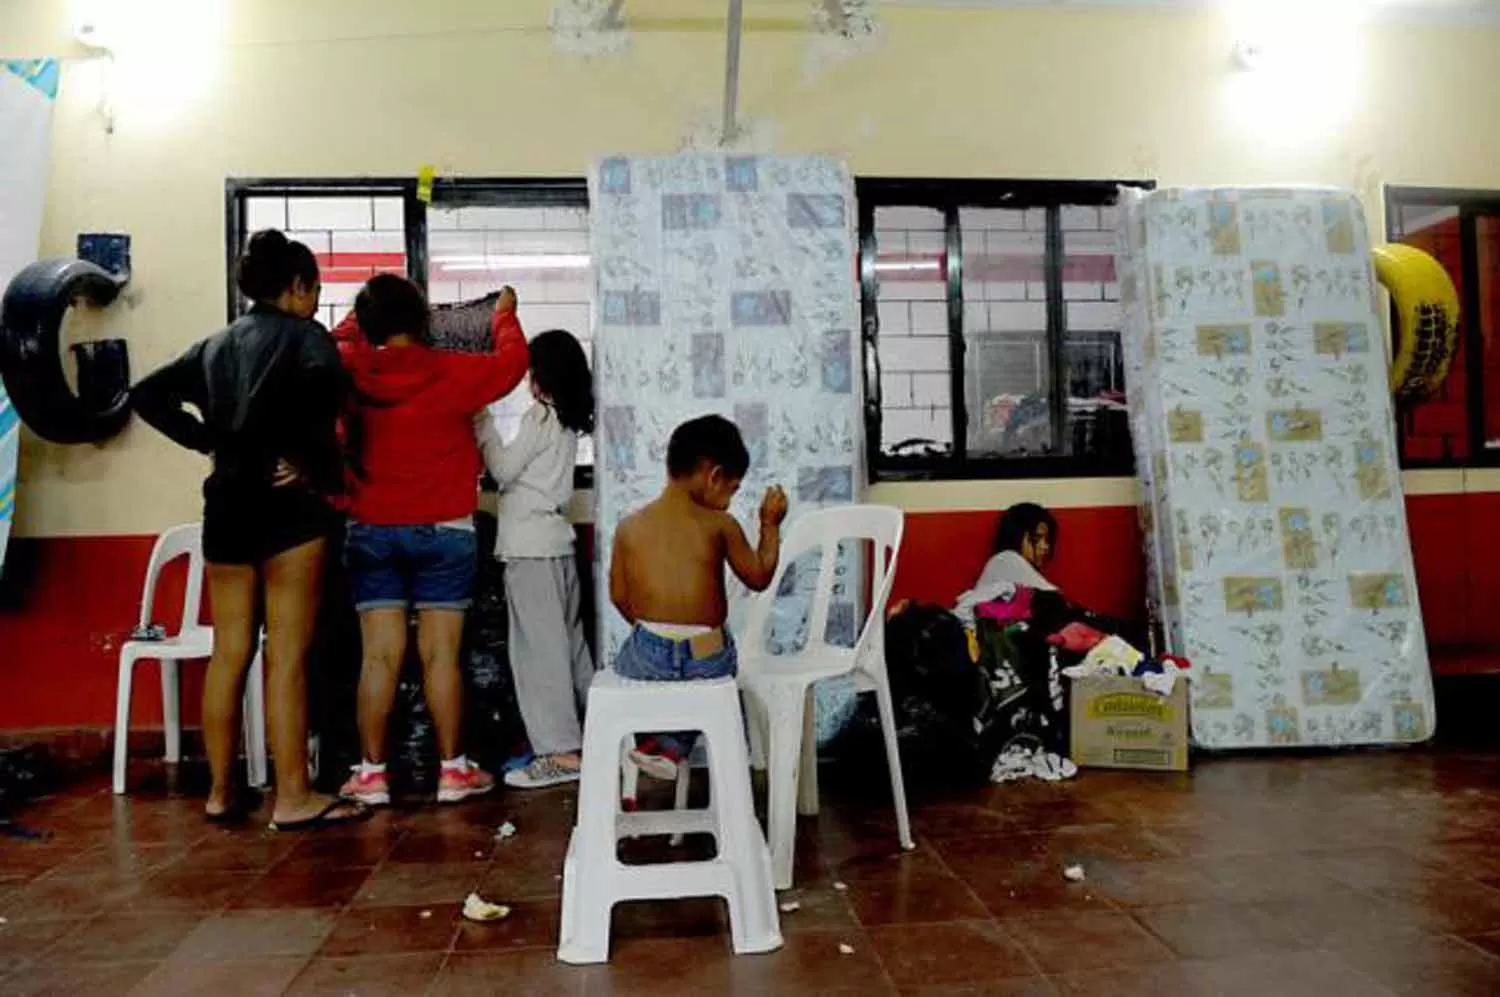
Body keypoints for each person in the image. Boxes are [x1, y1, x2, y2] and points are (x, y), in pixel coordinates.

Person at [131, 230, 367, 831]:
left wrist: (209, 440)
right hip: (289, 511)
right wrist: (310, 463)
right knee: (286, 656)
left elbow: (147, 394)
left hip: (226, 505)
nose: (315, 302)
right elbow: (332, 394)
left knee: (229, 652)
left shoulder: (215, 345)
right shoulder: (307, 338)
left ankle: (219, 791)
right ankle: (293, 797)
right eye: (313, 290)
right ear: (294, 287)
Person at [333, 275, 529, 806]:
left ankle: (372, 775)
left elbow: (335, 340)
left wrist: (362, 318)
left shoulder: (348, 369)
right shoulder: (454, 370)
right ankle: (453, 771)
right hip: (445, 527)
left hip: (372, 527)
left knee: (379, 657)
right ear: (422, 323)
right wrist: (503, 315)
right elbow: (512, 365)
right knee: (441, 656)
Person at [609, 415, 788, 780]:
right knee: (712, 679)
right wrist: (770, 525)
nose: (729, 500)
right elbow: (759, 576)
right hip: (705, 656)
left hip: (647, 656)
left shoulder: (629, 527)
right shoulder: (720, 525)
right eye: (732, 489)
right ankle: (673, 746)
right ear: (714, 475)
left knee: (629, 668)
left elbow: (619, 596)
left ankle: (654, 740)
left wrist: (658, 635)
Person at [474, 329, 596, 790]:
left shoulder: (538, 418)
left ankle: (560, 753)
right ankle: (598, 733)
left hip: (529, 550)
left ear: (540, 375)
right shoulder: (566, 423)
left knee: (537, 656)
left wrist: (482, 421)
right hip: (558, 546)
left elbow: (503, 471)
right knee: (571, 649)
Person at [954, 502, 1058, 622]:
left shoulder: (1005, 562)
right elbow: (1055, 600)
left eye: (1047, 540)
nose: (1045, 547)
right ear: (1016, 536)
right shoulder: (1007, 559)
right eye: (1037, 538)